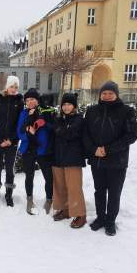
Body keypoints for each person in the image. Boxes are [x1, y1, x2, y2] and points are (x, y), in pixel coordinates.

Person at [83, 81, 137, 236]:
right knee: (99, 191)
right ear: (100, 94)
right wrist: (94, 150)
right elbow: (85, 134)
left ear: (116, 94)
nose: (107, 96)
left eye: (110, 93)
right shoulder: (92, 110)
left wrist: (107, 149)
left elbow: (131, 135)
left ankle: (110, 221)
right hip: (97, 160)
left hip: (117, 161)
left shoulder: (127, 111)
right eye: (104, 93)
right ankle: (100, 218)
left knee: (114, 193)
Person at [17, 88, 55, 215]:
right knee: (29, 176)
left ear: (37, 100)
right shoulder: (23, 113)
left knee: (48, 177)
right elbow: (19, 132)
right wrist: (28, 132)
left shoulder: (45, 111)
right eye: (27, 100)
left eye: (32, 99)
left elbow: (53, 129)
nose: (29, 102)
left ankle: (49, 199)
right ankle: (29, 199)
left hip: (42, 150)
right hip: (28, 149)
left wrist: (44, 123)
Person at [52, 93, 87, 228]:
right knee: (60, 187)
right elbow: (58, 131)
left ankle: (80, 214)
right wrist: (59, 128)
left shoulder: (79, 119)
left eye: (69, 104)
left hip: (73, 158)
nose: (66, 107)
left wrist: (59, 129)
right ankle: (66, 210)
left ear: (75, 106)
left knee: (74, 187)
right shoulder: (59, 119)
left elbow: (70, 133)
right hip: (58, 157)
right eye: (64, 104)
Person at [0, 76, 24, 207]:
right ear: (7, 87)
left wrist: (11, 140)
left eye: (16, 87)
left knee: (9, 168)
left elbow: (20, 125)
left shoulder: (19, 102)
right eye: (12, 86)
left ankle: (9, 194)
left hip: (12, 143)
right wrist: (0, 139)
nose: (14, 89)